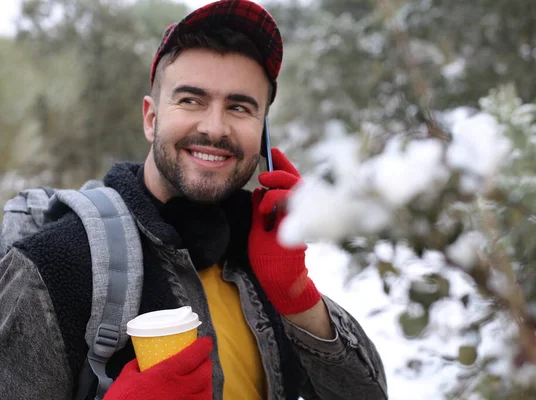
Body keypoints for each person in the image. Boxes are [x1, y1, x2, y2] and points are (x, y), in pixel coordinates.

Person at [0, 0, 387, 399]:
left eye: (239, 107)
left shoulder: (257, 255)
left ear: (263, 132)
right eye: (191, 100)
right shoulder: (52, 264)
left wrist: (296, 296)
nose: (215, 127)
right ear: (151, 118)